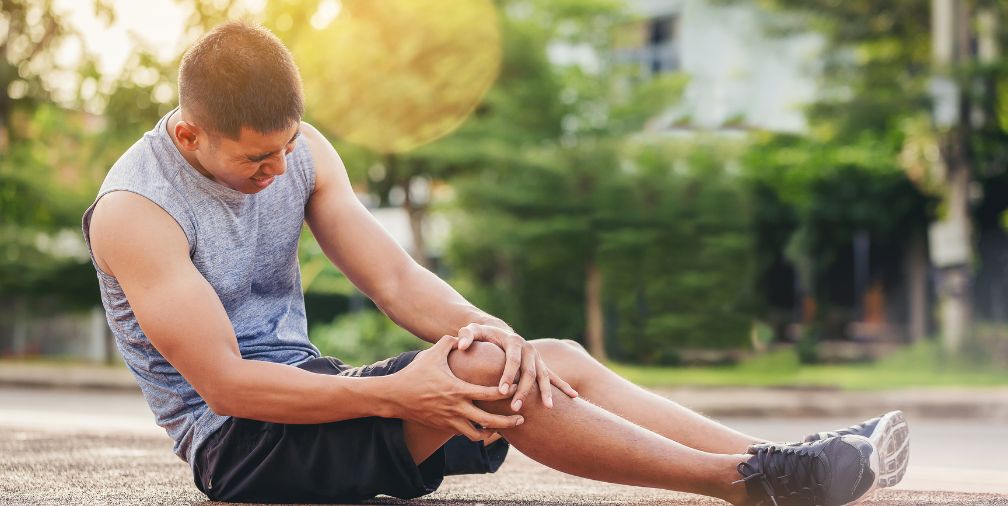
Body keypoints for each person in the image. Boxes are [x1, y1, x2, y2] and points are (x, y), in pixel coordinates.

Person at [81, 21, 910, 506]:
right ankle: (746, 484)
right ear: (189, 134)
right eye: (256, 160)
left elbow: (397, 281)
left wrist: (500, 334)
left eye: (286, 150)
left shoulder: (303, 153)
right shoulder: (135, 211)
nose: (276, 174)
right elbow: (226, 385)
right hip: (240, 444)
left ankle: (779, 458)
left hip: (317, 389)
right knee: (489, 372)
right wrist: (396, 390)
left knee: (546, 358)